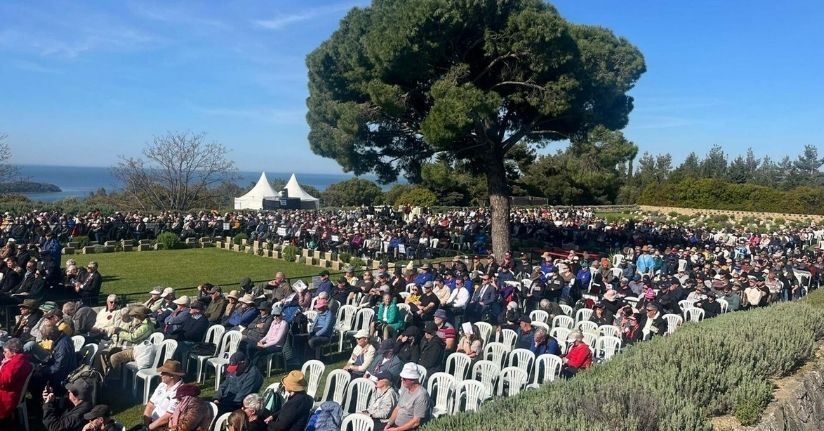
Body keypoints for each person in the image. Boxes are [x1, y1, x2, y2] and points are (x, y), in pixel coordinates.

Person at [383, 363, 429, 431]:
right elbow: (397, 408)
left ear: (413, 380)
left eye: (404, 379)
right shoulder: (406, 388)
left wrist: (397, 430)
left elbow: (416, 422)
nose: (401, 380)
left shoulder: (421, 395)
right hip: (396, 426)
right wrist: (389, 424)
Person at [143, 360, 185, 430]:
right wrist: (146, 425)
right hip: (150, 424)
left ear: (172, 375)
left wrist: (149, 428)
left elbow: (168, 417)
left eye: (163, 372)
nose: (161, 374)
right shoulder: (162, 385)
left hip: (163, 427)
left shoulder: (180, 392)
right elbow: (150, 405)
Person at [0, 338, 33, 424]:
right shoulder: (20, 360)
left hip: (7, 397)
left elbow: (3, 382)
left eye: (5, 351)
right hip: (12, 391)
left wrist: (2, 367)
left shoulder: (16, 364)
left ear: (13, 352)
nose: (3, 353)